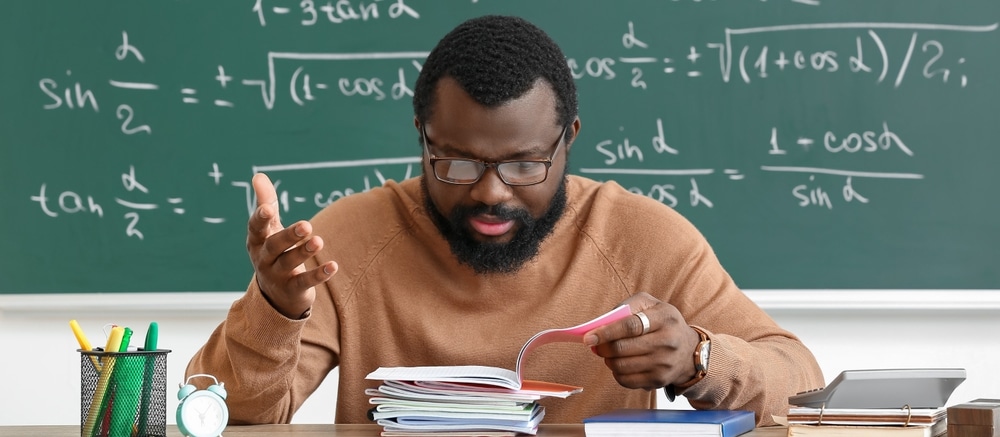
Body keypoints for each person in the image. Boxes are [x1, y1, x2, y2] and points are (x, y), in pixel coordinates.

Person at [186, 14, 824, 426]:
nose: (491, 194)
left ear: (567, 139)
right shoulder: (346, 241)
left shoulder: (643, 237)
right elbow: (227, 417)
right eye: (457, 163)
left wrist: (699, 359)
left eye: (524, 165)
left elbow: (801, 385)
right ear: (422, 137)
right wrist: (275, 307)